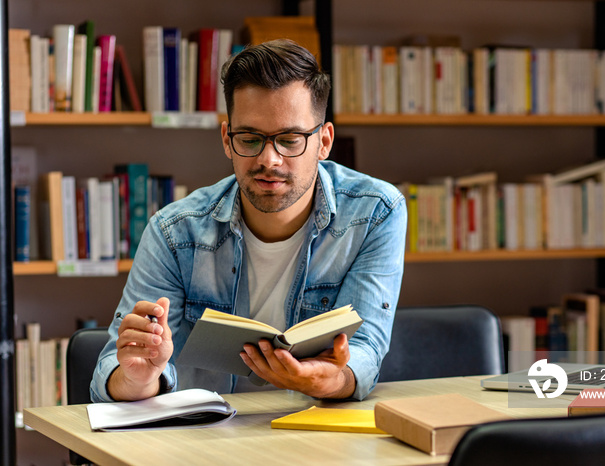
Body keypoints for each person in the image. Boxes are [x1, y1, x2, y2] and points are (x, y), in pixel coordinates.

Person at [90, 39, 407, 402]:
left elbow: (365, 350)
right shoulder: (174, 232)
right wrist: (140, 378)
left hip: (320, 431)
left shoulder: (375, 212)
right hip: (203, 442)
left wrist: (325, 381)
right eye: (250, 138)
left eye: (289, 140)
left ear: (324, 141)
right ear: (227, 140)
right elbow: (111, 376)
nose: (269, 159)